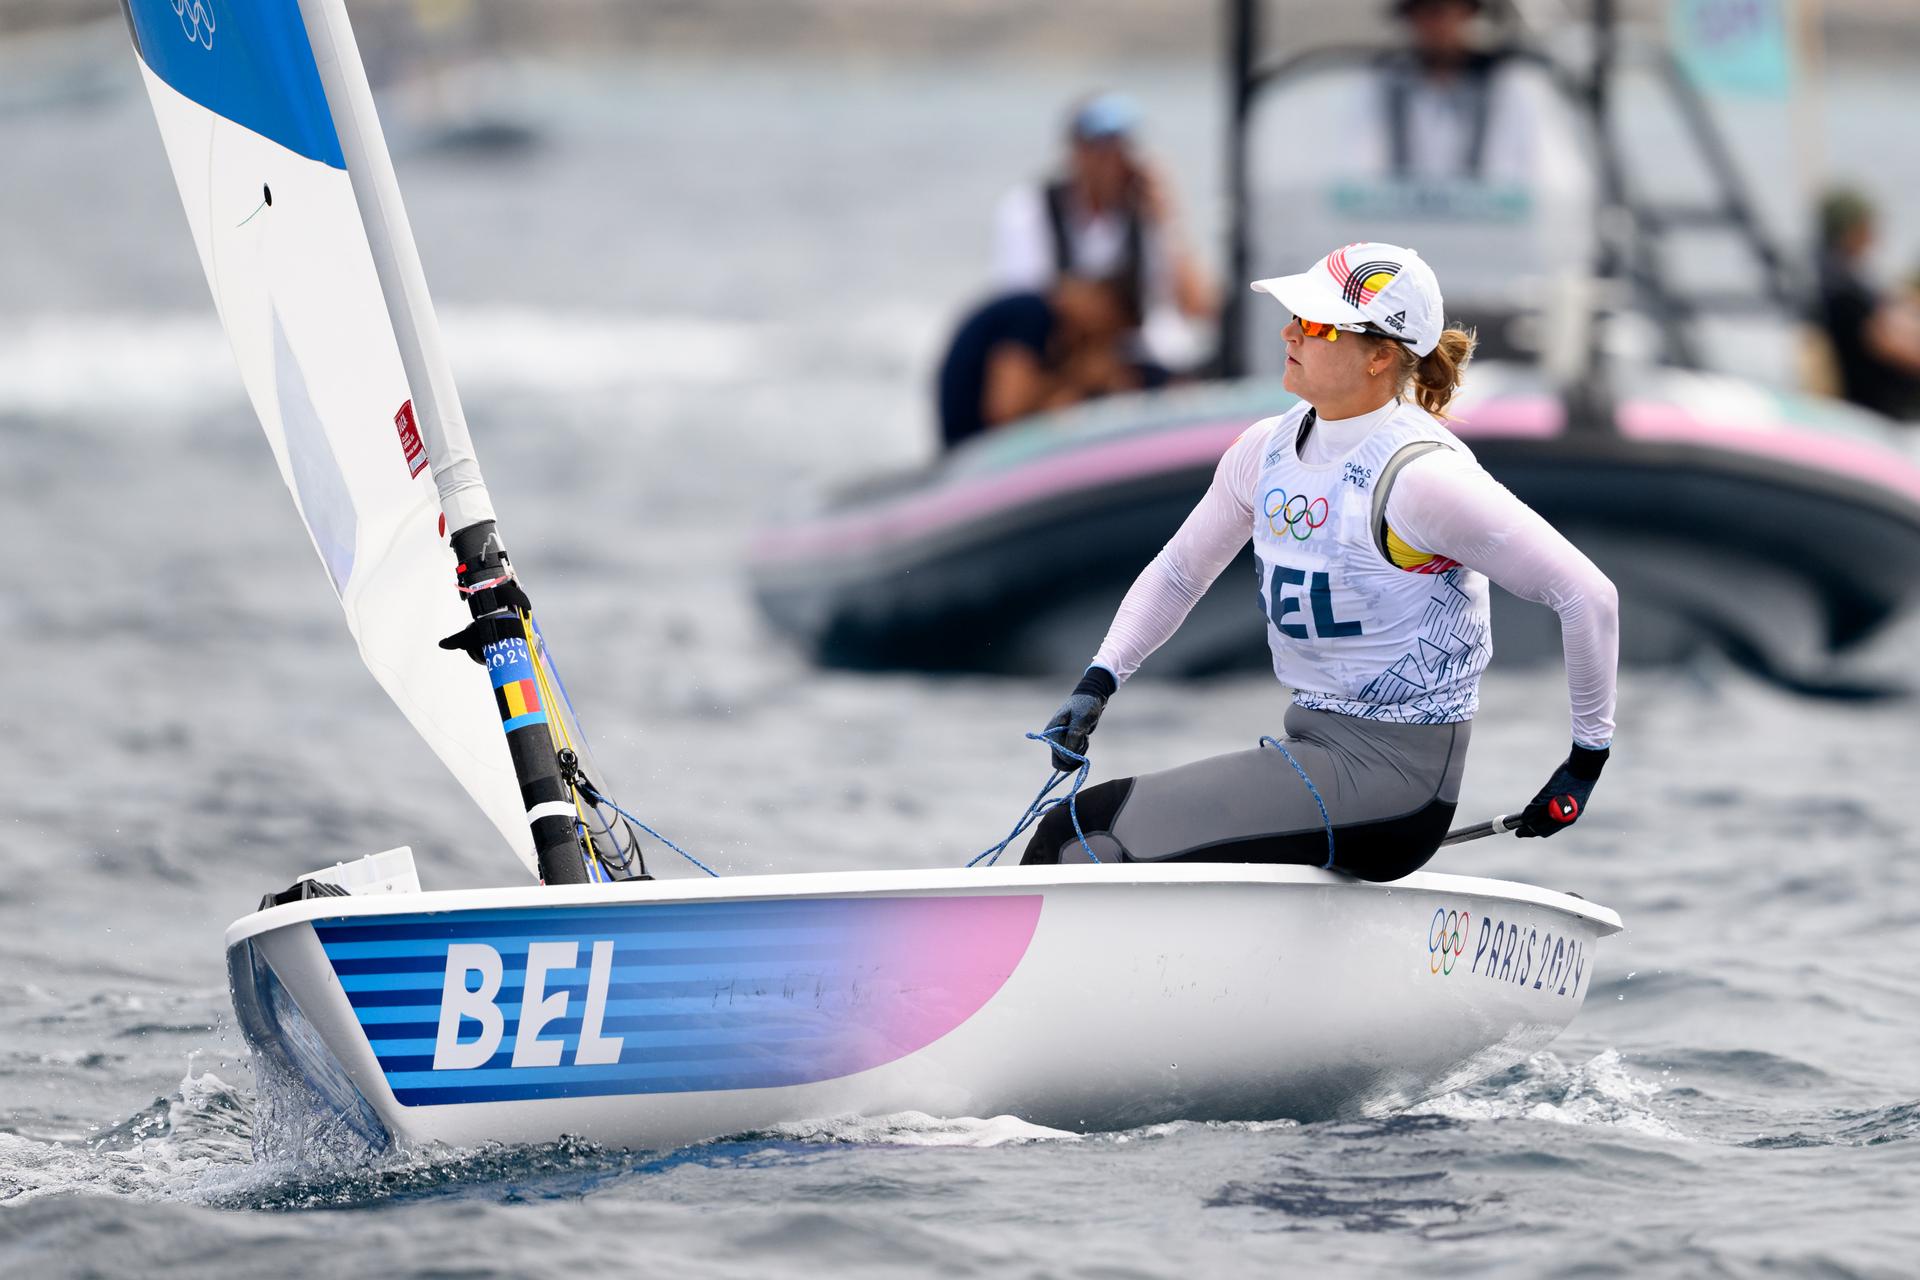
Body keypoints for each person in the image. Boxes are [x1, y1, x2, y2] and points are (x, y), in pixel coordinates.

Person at [1022, 242, 1619, 879]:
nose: (1289, 332)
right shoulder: (1265, 449)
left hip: (1395, 786)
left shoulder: (1422, 480)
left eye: (1315, 324)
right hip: (1312, 751)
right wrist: (1100, 678)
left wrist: (1585, 761)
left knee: (1079, 835)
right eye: (1294, 317)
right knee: (1102, 838)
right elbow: (1179, 573)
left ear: (1381, 355)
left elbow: (1588, 595)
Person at [992, 93, 1216, 372]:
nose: (1111, 160)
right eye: (1099, 147)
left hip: (1147, 361)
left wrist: (1167, 218)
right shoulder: (1029, 209)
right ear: (1075, 152)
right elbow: (1027, 307)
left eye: (1120, 147)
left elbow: (1200, 308)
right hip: (1062, 357)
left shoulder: (1148, 211)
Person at [936, 278, 1149, 449]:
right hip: (973, 453)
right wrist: (1081, 379)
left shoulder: (1040, 321)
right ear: (1103, 307)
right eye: (1108, 333)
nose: (1101, 342)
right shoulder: (1033, 313)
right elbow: (1006, 410)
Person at [1814, 189, 1920, 421]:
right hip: (1880, 414)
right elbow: (1888, 343)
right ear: (1852, 229)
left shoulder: (1838, 274)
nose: (1873, 235)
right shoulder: (1841, 285)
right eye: (1867, 226)